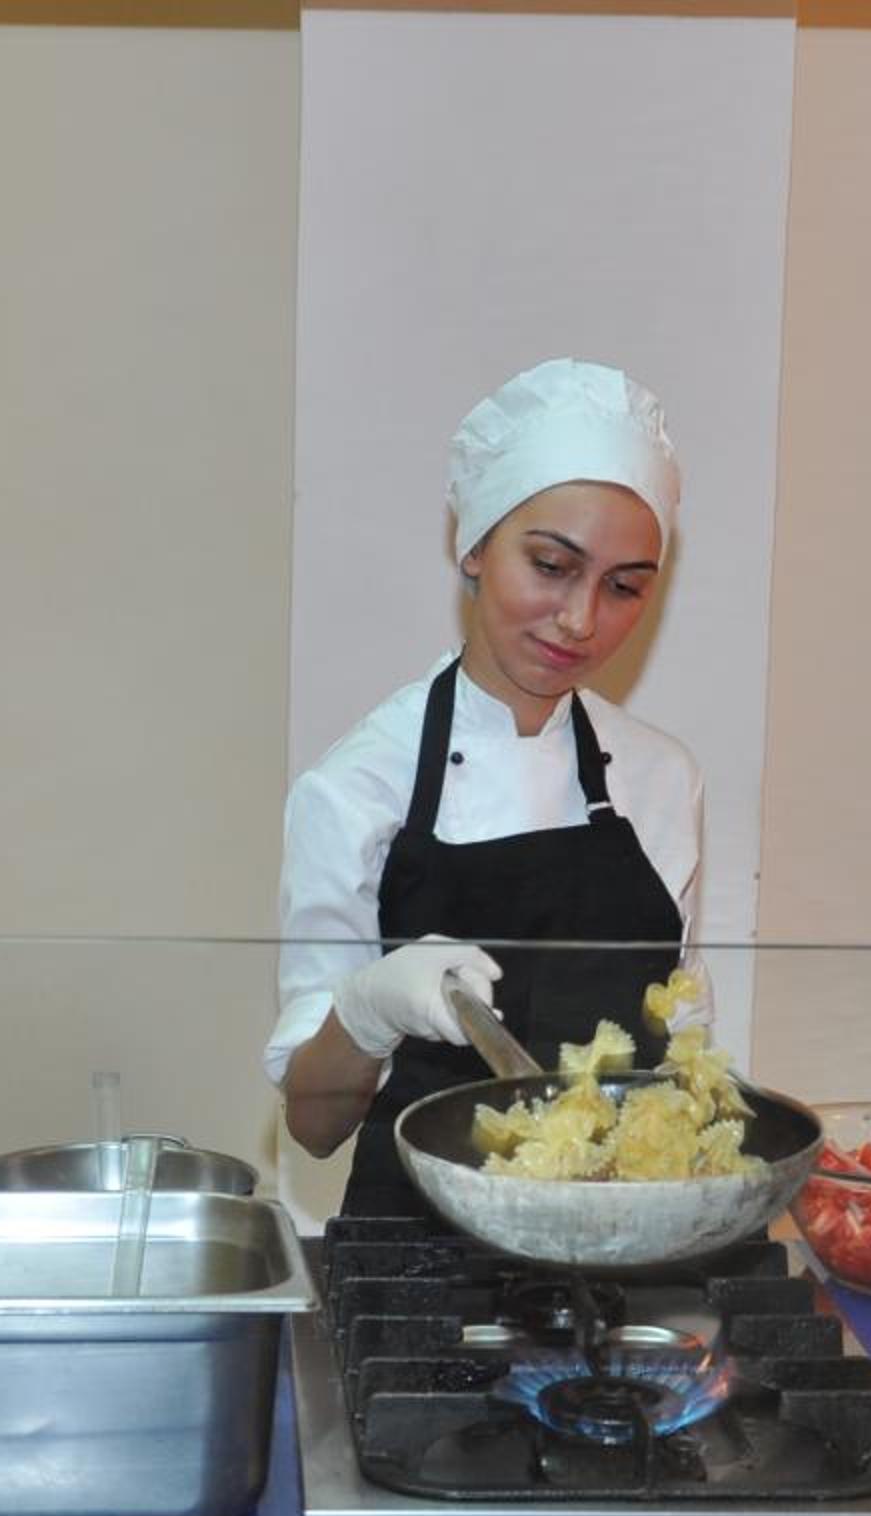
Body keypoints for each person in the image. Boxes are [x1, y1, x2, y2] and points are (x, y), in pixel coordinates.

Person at [269, 358, 707, 1218]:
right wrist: (366, 1012)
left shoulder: (662, 778)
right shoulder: (358, 786)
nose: (581, 620)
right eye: (550, 564)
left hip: (615, 1247)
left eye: (624, 587)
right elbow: (313, 1127)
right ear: (472, 546)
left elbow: (682, 1048)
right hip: (413, 1258)